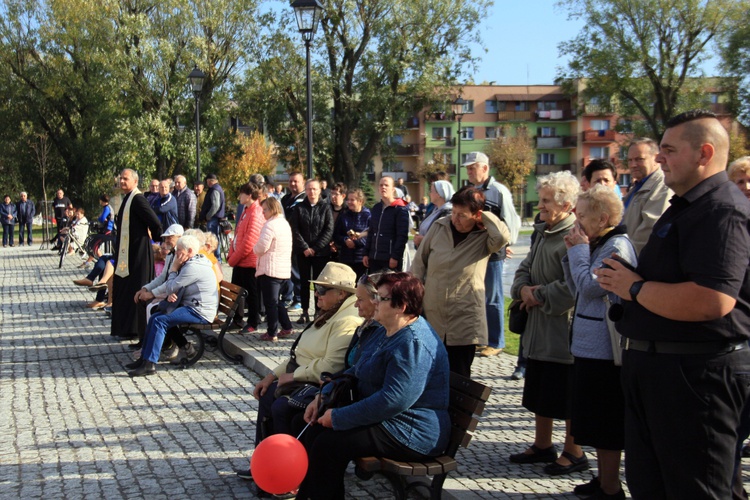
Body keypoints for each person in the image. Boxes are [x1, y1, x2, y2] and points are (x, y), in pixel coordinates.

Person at [595, 110, 750, 499]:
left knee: (695, 488)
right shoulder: (686, 205)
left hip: (695, 377)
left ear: (704, 153)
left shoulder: (721, 211)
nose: (659, 158)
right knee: (653, 486)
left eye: (668, 150)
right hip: (661, 373)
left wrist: (634, 288)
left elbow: (712, 300)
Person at [294, 272, 450, 500]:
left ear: (401, 306)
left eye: (382, 298)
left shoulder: (413, 343)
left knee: (328, 445)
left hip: (410, 430)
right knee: (313, 429)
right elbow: (355, 370)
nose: (375, 302)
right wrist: (323, 396)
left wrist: (338, 417)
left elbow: (393, 401)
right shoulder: (386, 330)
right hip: (390, 420)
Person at [242, 262, 361, 492]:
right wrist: (271, 376)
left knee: (281, 407)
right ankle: (266, 465)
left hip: (325, 386)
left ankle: (289, 474)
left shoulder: (346, 320)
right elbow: (299, 354)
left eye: (323, 290)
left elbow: (331, 366)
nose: (317, 294)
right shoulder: (329, 312)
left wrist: (292, 375)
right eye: (316, 288)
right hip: (305, 378)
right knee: (267, 395)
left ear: (341, 293)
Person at [561, 185, 637, 499]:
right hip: (589, 348)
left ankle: (610, 487)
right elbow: (576, 288)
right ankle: (603, 479)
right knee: (592, 419)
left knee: (605, 422)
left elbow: (591, 288)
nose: (575, 222)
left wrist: (577, 251)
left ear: (602, 217)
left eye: (581, 216)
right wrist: (572, 255)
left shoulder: (616, 245)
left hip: (605, 352)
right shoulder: (599, 242)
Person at [508, 171, 585, 476]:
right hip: (537, 327)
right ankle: (543, 445)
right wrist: (523, 289)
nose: (539, 205)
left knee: (565, 394)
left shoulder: (574, 235)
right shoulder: (543, 232)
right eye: (540, 199)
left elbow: (573, 285)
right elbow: (523, 269)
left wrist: (536, 294)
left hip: (560, 329)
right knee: (540, 389)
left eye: (546, 201)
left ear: (566, 205)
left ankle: (574, 451)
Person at [412, 187, 510, 377]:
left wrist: (486, 217)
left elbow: (503, 236)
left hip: (465, 318)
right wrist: (415, 298)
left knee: (458, 375)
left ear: (477, 215)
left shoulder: (484, 238)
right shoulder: (440, 226)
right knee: (429, 374)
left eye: (462, 215)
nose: (455, 219)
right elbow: (419, 263)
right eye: (454, 212)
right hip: (433, 313)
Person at [126, 234, 219, 377]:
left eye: (179, 250)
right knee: (155, 317)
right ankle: (144, 358)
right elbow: (172, 287)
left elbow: (171, 287)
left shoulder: (193, 266)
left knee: (160, 321)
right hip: (191, 306)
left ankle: (150, 364)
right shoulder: (190, 262)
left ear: (189, 251)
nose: (176, 254)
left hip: (200, 311)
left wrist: (174, 268)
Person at [465, 151, 522, 358]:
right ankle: (485, 338)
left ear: (485, 168)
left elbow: (510, 219)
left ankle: (496, 341)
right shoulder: (471, 191)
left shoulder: (498, 191)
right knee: (480, 296)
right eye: (468, 168)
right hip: (477, 251)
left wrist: (506, 242)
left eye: (473, 167)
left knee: (493, 297)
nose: (469, 171)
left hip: (493, 253)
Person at [111, 169, 163, 342]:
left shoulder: (138, 199)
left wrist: (154, 238)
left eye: (125, 179)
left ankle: (136, 329)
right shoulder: (128, 198)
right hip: (128, 254)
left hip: (138, 254)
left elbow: (155, 222)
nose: (122, 181)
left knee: (136, 289)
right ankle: (128, 328)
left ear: (135, 181)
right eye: (121, 178)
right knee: (125, 288)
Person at [291, 179, 334, 324]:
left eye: (314, 189)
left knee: (318, 283)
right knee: (303, 282)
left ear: (319, 190)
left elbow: (328, 230)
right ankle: (304, 311)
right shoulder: (299, 208)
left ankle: (318, 311)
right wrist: (304, 248)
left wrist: (315, 248)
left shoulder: (325, 207)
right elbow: (295, 229)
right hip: (303, 252)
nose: (312, 192)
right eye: (309, 189)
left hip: (320, 253)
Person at [253, 197, 294, 341]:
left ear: (272, 209)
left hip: (270, 269)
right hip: (283, 269)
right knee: (278, 302)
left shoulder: (270, 225)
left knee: (271, 303)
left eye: (265, 210)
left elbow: (261, 247)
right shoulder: (284, 223)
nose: (263, 213)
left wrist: (254, 248)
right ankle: (287, 327)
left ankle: (272, 332)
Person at [621, 139, 672, 254]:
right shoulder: (638, 186)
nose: (633, 165)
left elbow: (650, 229)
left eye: (639, 159)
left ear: (656, 158)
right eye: (630, 160)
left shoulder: (662, 186)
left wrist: (624, 256)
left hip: (634, 261)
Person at [228, 182, 265, 333]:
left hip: (249, 262)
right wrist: (232, 253)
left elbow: (249, 241)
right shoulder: (246, 210)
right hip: (240, 260)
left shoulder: (256, 212)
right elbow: (238, 235)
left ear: (249, 195)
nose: (239, 197)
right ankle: (237, 319)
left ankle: (253, 322)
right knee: (236, 292)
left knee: (252, 294)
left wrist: (233, 258)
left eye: (242, 193)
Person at [362, 176, 409, 273]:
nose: (383, 187)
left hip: (389, 259)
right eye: (381, 185)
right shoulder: (376, 208)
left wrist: (395, 256)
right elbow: (371, 231)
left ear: (393, 189)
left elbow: (402, 236)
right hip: (374, 258)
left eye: (386, 185)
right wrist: (366, 253)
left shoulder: (400, 209)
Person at [281, 172, 306, 310]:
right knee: (287, 271)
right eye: (291, 181)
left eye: (296, 181)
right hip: (285, 240)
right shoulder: (285, 198)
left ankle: (299, 299)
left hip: (297, 240)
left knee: (297, 272)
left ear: (303, 182)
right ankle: (287, 296)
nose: (292, 184)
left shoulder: (303, 199)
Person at [332, 188, 370, 278]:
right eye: (348, 199)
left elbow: (371, 236)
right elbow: (336, 234)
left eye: (352, 200)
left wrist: (356, 243)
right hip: (346, 258)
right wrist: (345, 240)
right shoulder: (344, 215)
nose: (348, 202)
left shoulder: (368, 216)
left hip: (361, 259)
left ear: (360, 201)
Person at [413, 180, 454, 249]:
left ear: (439, 194)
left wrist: (423, 240)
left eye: (431, 191)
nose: (429, 194)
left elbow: (443, 239)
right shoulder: (434, 210)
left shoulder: (448, 213)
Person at [199, 173, 226, 261]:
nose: (207, 184)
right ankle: (216, 258)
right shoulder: (217, 188)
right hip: (215, 218)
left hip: (213, 218)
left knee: (213, 239)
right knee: (214, 238)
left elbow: (215, 205)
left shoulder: (214, 190)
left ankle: (216, 258)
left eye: (207, 181)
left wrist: (208, 216)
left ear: (210, 181)